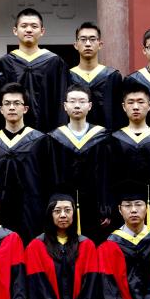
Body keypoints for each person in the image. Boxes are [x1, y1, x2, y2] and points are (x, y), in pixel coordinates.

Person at [107, 81, 150, 235]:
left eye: (141, 102)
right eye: (130, 102)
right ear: (124, 106)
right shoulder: (114, 140)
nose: (136, 107)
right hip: (123, 208)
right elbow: (108, 178)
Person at [0, 83, 49, 244]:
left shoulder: (40, 141)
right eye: (7, 103)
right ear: (1, 109)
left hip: (32, 209)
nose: (12, 107)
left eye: (16, 103)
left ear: (25, 109)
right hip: (1, 210)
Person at [48, 85, 113, 243]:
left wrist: (105, 206)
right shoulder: (54, 138)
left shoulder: (102, 137)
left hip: (94, 206)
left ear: (90, 105)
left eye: (82, 101)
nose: (77, 105)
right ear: (65, 106)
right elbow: (52, 175)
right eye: (72, 101)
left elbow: (106, 174)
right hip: (65, 206)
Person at [0, 7, 68, 133]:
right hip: (12, 133)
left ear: (42, 31)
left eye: (34, 26)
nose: (29, 30)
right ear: (15, 30)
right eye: (24, 26)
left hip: (48, 132)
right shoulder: (4, 63)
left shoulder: (55, 62)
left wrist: (60, 134)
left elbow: (61, 101)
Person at [67, 22, 123, 130]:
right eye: (83, 39)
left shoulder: (112, 76)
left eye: (92, 39)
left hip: (107, 136)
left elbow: (119, 114)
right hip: (75, 136)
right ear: (76, 45)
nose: (88, 44)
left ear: (100, 44)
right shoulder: (67, 76)